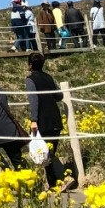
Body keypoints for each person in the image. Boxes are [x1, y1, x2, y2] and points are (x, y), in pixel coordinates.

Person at [23, 52, 75, 190]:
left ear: (30, 65)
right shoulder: (48, 77)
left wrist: (34, 120)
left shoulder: (30, 80)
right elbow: (59, 96)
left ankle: (64, 178)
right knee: (48, 153)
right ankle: (53, 185)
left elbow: (34, 100)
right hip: (55, 118)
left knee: (46, 153)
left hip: (42, 119)